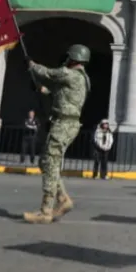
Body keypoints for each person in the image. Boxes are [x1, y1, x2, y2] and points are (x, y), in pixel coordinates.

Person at [23, 44, 91, 224]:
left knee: (51, 161)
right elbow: (52, 90)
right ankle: (62, 199)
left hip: (64, 123)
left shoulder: (71, 74)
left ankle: (45, 211)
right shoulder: (78, 79)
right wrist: (40, 88)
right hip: (64, 122)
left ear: (73, 59)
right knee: (45, 162)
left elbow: (49, 73)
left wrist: (33, 65)